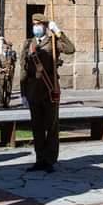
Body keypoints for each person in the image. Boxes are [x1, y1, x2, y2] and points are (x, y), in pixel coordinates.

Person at [20, 14, 75, 172]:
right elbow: (23, 68)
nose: (35, 27)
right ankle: (40, 159)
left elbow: (70, 49)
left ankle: (49, 160)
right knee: (37, 127)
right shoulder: (28, 43)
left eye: (38, 24)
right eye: (34, 24)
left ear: (45, 26)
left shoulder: (53, 42)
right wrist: (23, 92)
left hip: (50, 89)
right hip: (33, 90)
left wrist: (57, 31)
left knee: (51, 126)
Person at [0, 40, 17, 108]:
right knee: (2, 89)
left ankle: (7, 103)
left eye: (7, 48)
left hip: (9, 74)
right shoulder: (0, 56)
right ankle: (1, 103)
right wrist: (1, 69)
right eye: (5, 48)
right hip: (2, 75)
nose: (6, 49)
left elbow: (13, 63)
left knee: (8, 89)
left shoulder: (10, 56)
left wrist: (11, 67)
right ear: (3, 49)